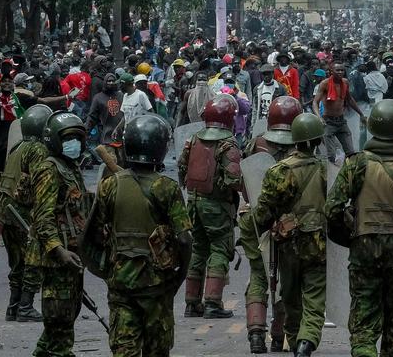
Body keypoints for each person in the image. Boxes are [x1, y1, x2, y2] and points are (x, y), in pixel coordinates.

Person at [325, 99, 393, 357]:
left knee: (363, 322)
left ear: (372, 126)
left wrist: (351, 236)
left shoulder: (356, 163)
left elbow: (332, 209)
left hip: (364, 248)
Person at [85, 113, 192, 357]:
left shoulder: (110, 185)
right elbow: (184, 239)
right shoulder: (166, 188)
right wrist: (179, 276)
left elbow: (94, 234)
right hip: (157, 285)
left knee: (124, 351)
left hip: (121, 283)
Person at [237, 112, 329, 357]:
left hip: (288, 244)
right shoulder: (326, 170)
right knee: (314, 296)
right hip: (318, 243)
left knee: (289, 294)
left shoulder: (278, 171)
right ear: (318, 141)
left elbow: (264, 211)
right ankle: (306, 342)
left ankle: (294, 336)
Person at [240, 95, 302, 353]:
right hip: (289, 223)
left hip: (253, 217)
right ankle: (280, 336)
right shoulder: (303, 145)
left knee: (258, 274)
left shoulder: (255, 143)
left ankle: (256, 333)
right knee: (287, 278)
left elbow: (242, 182)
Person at [30, 111, 93, 357]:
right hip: (58, 258)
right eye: (69, 139)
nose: (74, 144)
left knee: (68, 313)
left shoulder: (71, 167)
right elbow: (42, 216)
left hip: (73, 254)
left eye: (78, 139)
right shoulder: (49, 169)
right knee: (60, 317)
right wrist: (58, 250)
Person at [178, 94, 244, 318]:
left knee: (198, 249)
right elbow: (234, 179)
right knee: (219, 249)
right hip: (216, 206)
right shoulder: (228, 143)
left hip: (193, 203)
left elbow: (181, 168)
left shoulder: (194, 138)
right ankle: (213, 303)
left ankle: (191, 303)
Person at [0, 104, 54, 323]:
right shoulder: (38, 150)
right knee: (33, 260)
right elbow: (41, 183)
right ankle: (26, 306)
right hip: (22, 213)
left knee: (17, 262)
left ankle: (13, 306)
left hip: (5, 210)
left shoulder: (18, 147)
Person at [313, 63, 364, 164]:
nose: (340, 72)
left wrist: (361, 114)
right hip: (328, 122)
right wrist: (319, 117)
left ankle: (348, 174)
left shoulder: (345, 82)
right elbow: (315, 102)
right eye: (338, 70)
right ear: (332, 71)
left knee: (351, 153)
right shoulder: (325, 83)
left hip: (341, 121)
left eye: (342, 70)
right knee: (331, 157)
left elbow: (349, 99)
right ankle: (333, 176)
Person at [250, 64, 287, 137]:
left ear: (272, 74)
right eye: (264, 74)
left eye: (268, 74)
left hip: (275, 121)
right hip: (260, 119)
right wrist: (253, 126)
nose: (266, 76)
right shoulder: (257, 89)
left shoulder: (280, 88)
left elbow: (284, 108)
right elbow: (254, 109)